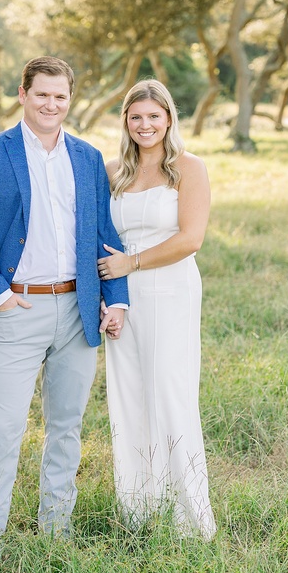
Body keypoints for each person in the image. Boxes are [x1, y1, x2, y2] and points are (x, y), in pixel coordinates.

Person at [0, 56, 129, 555]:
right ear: (23, 94)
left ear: (69, 99)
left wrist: (115, 300)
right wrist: (0, 297)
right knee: (4, 428)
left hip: (78, 309)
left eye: (60, 96)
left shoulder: (87, 158)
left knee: (66, 427)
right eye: (42, 94)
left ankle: (57, 530)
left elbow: (102, 233)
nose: (51, 104)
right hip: (19, 310)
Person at [97, 79, 216, 540]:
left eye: (153, 116)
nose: (145, 125)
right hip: (124, 297)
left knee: (169, 393)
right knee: (128, 397)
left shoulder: (188, 168)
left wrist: (134, 261)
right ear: (125, 122)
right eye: (135, 117)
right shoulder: (114, 171)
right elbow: (101, 237)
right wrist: (114, 297)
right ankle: (141, 511)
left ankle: (190, 521)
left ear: (169, 118)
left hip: (170, 290)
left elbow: (191, 239)